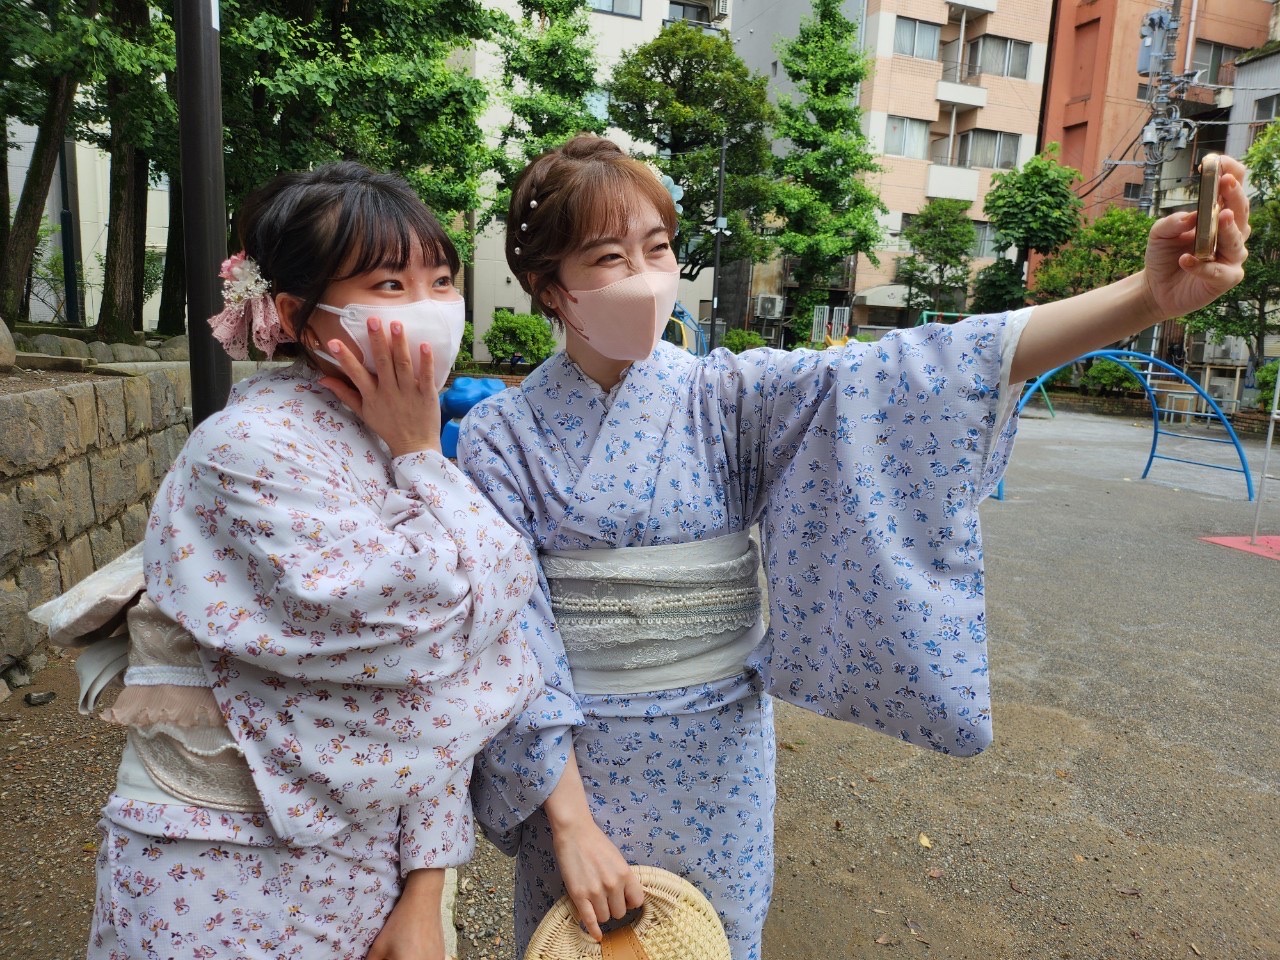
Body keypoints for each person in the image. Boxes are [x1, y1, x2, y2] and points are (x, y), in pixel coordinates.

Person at [455, 135, 1250, 960]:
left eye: (658, 248)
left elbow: (921, 372)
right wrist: (572, 824)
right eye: (609, 257)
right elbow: (511, 643)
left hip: (720, 756)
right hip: (580, 767)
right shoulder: (500, 437)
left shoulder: (724, 395)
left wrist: (1147, 298)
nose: (646, 276)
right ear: (549, 286)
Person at [85, 162, 541, 960]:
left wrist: (427, 884)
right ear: (297, 314)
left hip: (367, 862)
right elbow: (440, 636)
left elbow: (453, 667)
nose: (430, 308)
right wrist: (424, 459)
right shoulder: (244, 451)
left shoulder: (396, 445)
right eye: (390, 286)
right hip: (218, 855)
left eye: (440, 280)